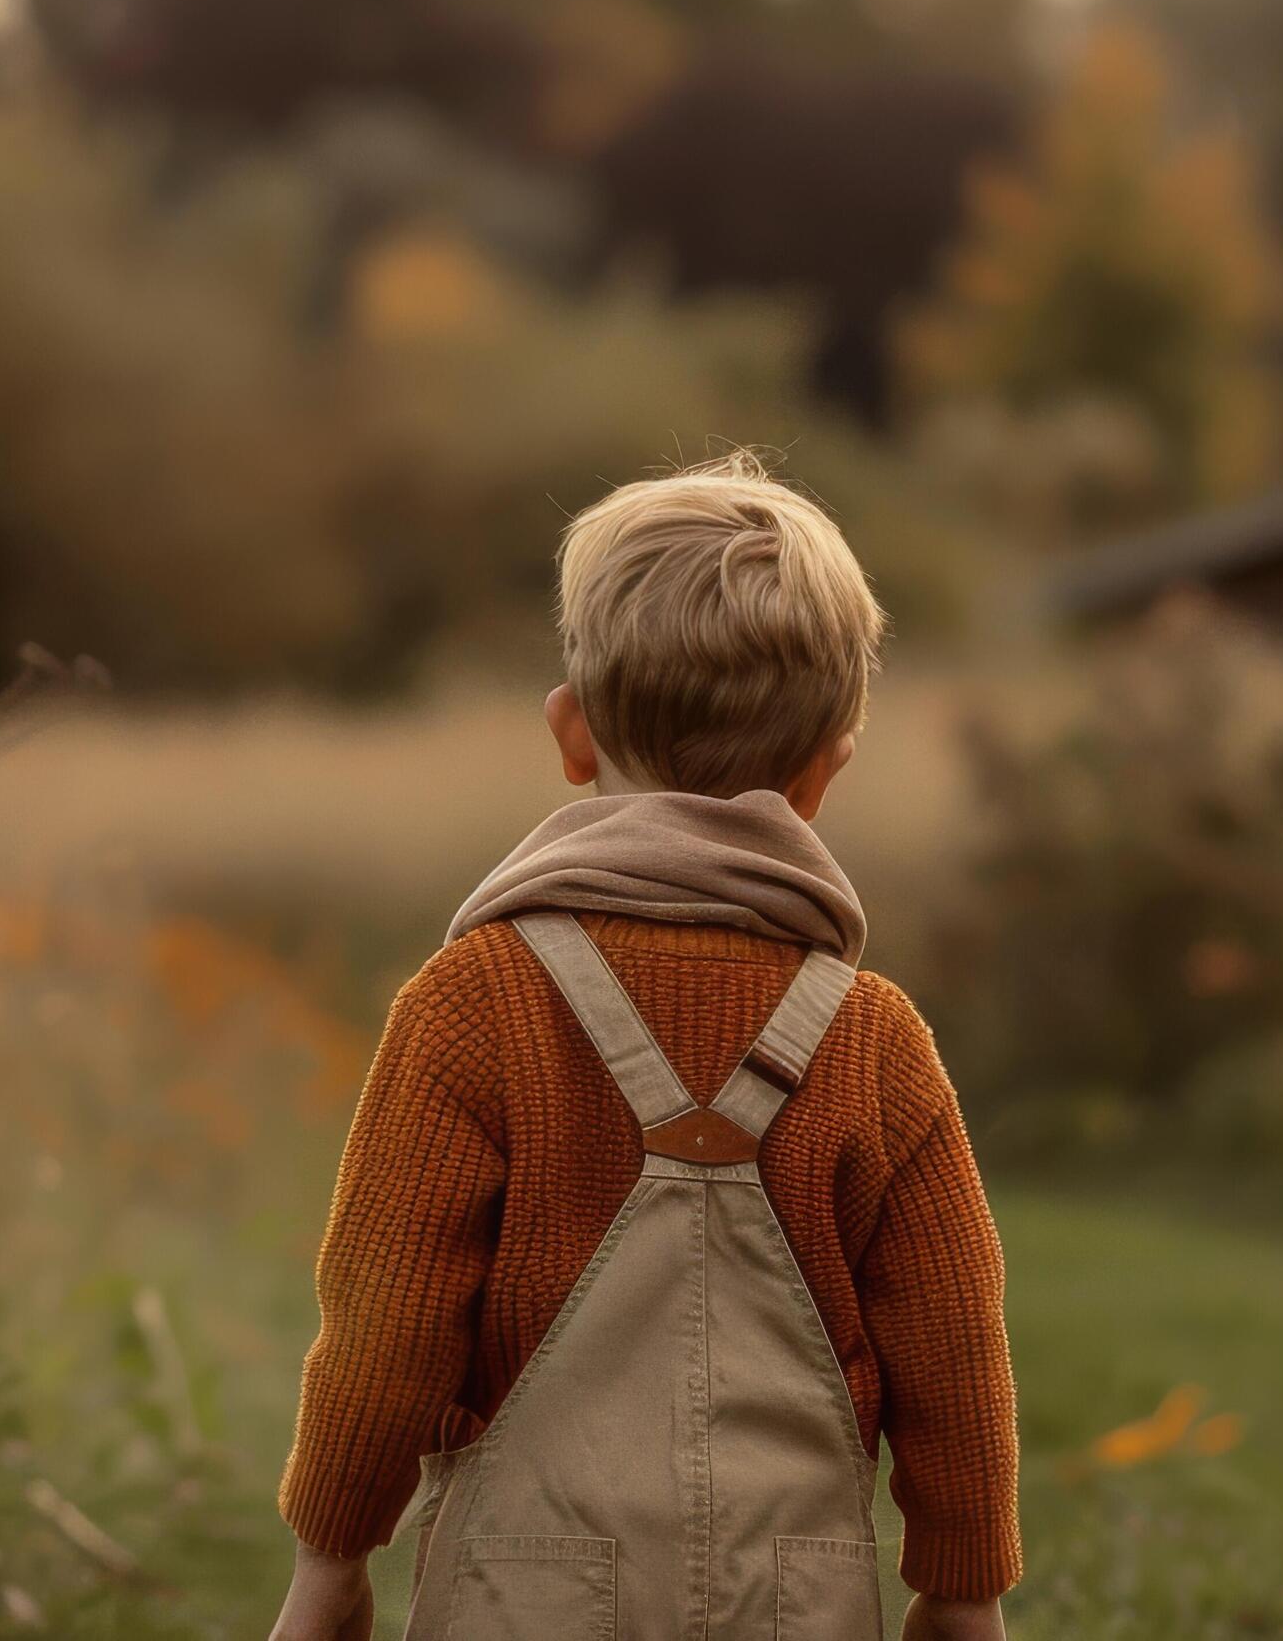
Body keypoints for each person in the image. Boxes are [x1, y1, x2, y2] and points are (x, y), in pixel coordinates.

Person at [266, 453, 1016, 1640]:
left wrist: (331, 1562)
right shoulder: (874, 1041)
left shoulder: (472, 1003)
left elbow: (385, 1325)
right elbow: (953, 1352)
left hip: (526, 1594)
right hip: (795, 1598)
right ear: (824, 773)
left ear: (570, 735)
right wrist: (961, 1591)